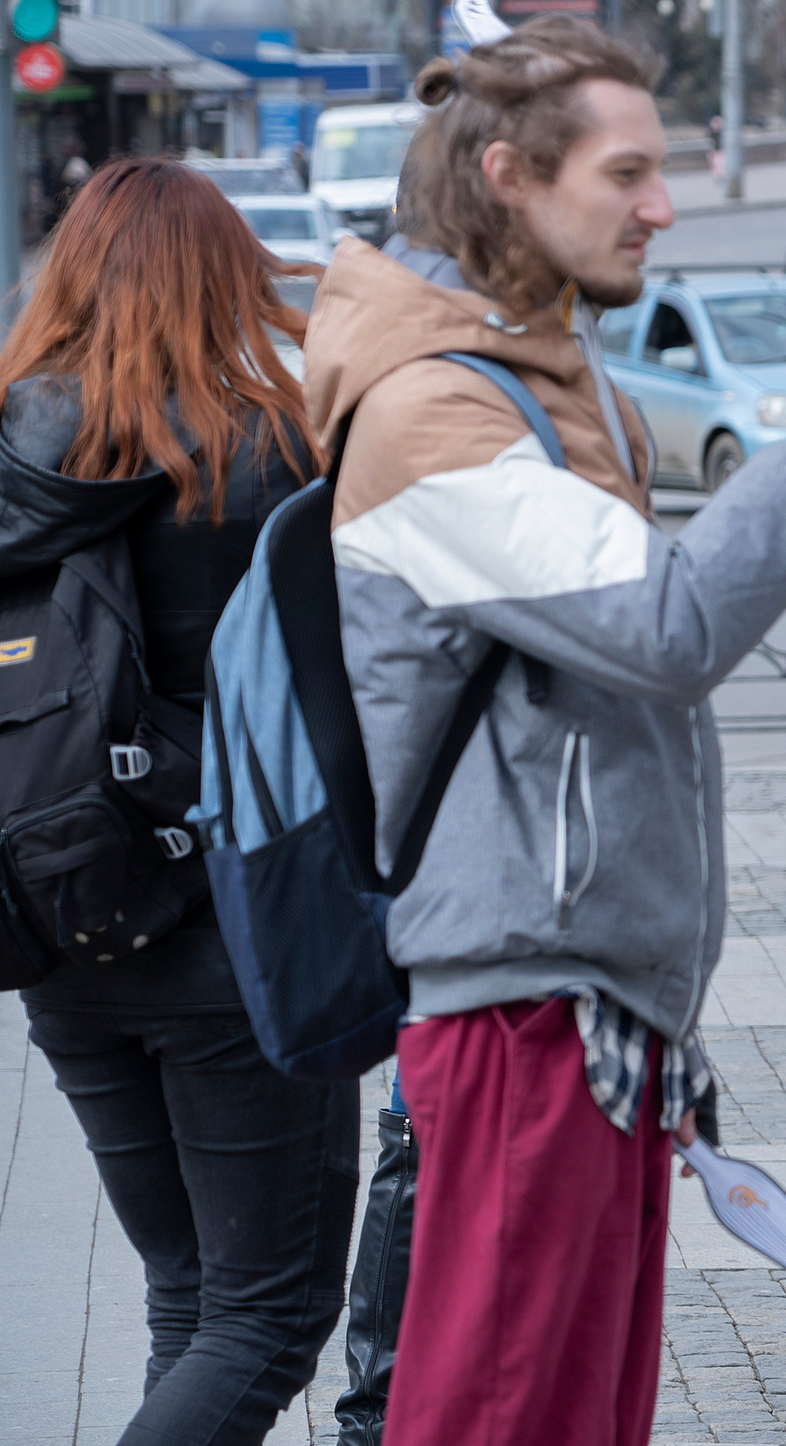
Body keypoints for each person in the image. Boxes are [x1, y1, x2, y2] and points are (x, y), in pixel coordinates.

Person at [308, 15, 786, 1446]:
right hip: (521, 1009)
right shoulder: (431, 412)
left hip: (588, 1000)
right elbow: (672, 628)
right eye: (631, 172)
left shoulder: (545, 376)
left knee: (583, 1417)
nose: (664, 207)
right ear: (507, 176)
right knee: (503, 1418)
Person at [0, 158, 359, 1443]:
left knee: (192, 1293)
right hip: (238, 923)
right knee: (267, 1316)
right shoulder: (271, 447)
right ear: (227, 273)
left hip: (56, 911)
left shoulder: (7, 447)